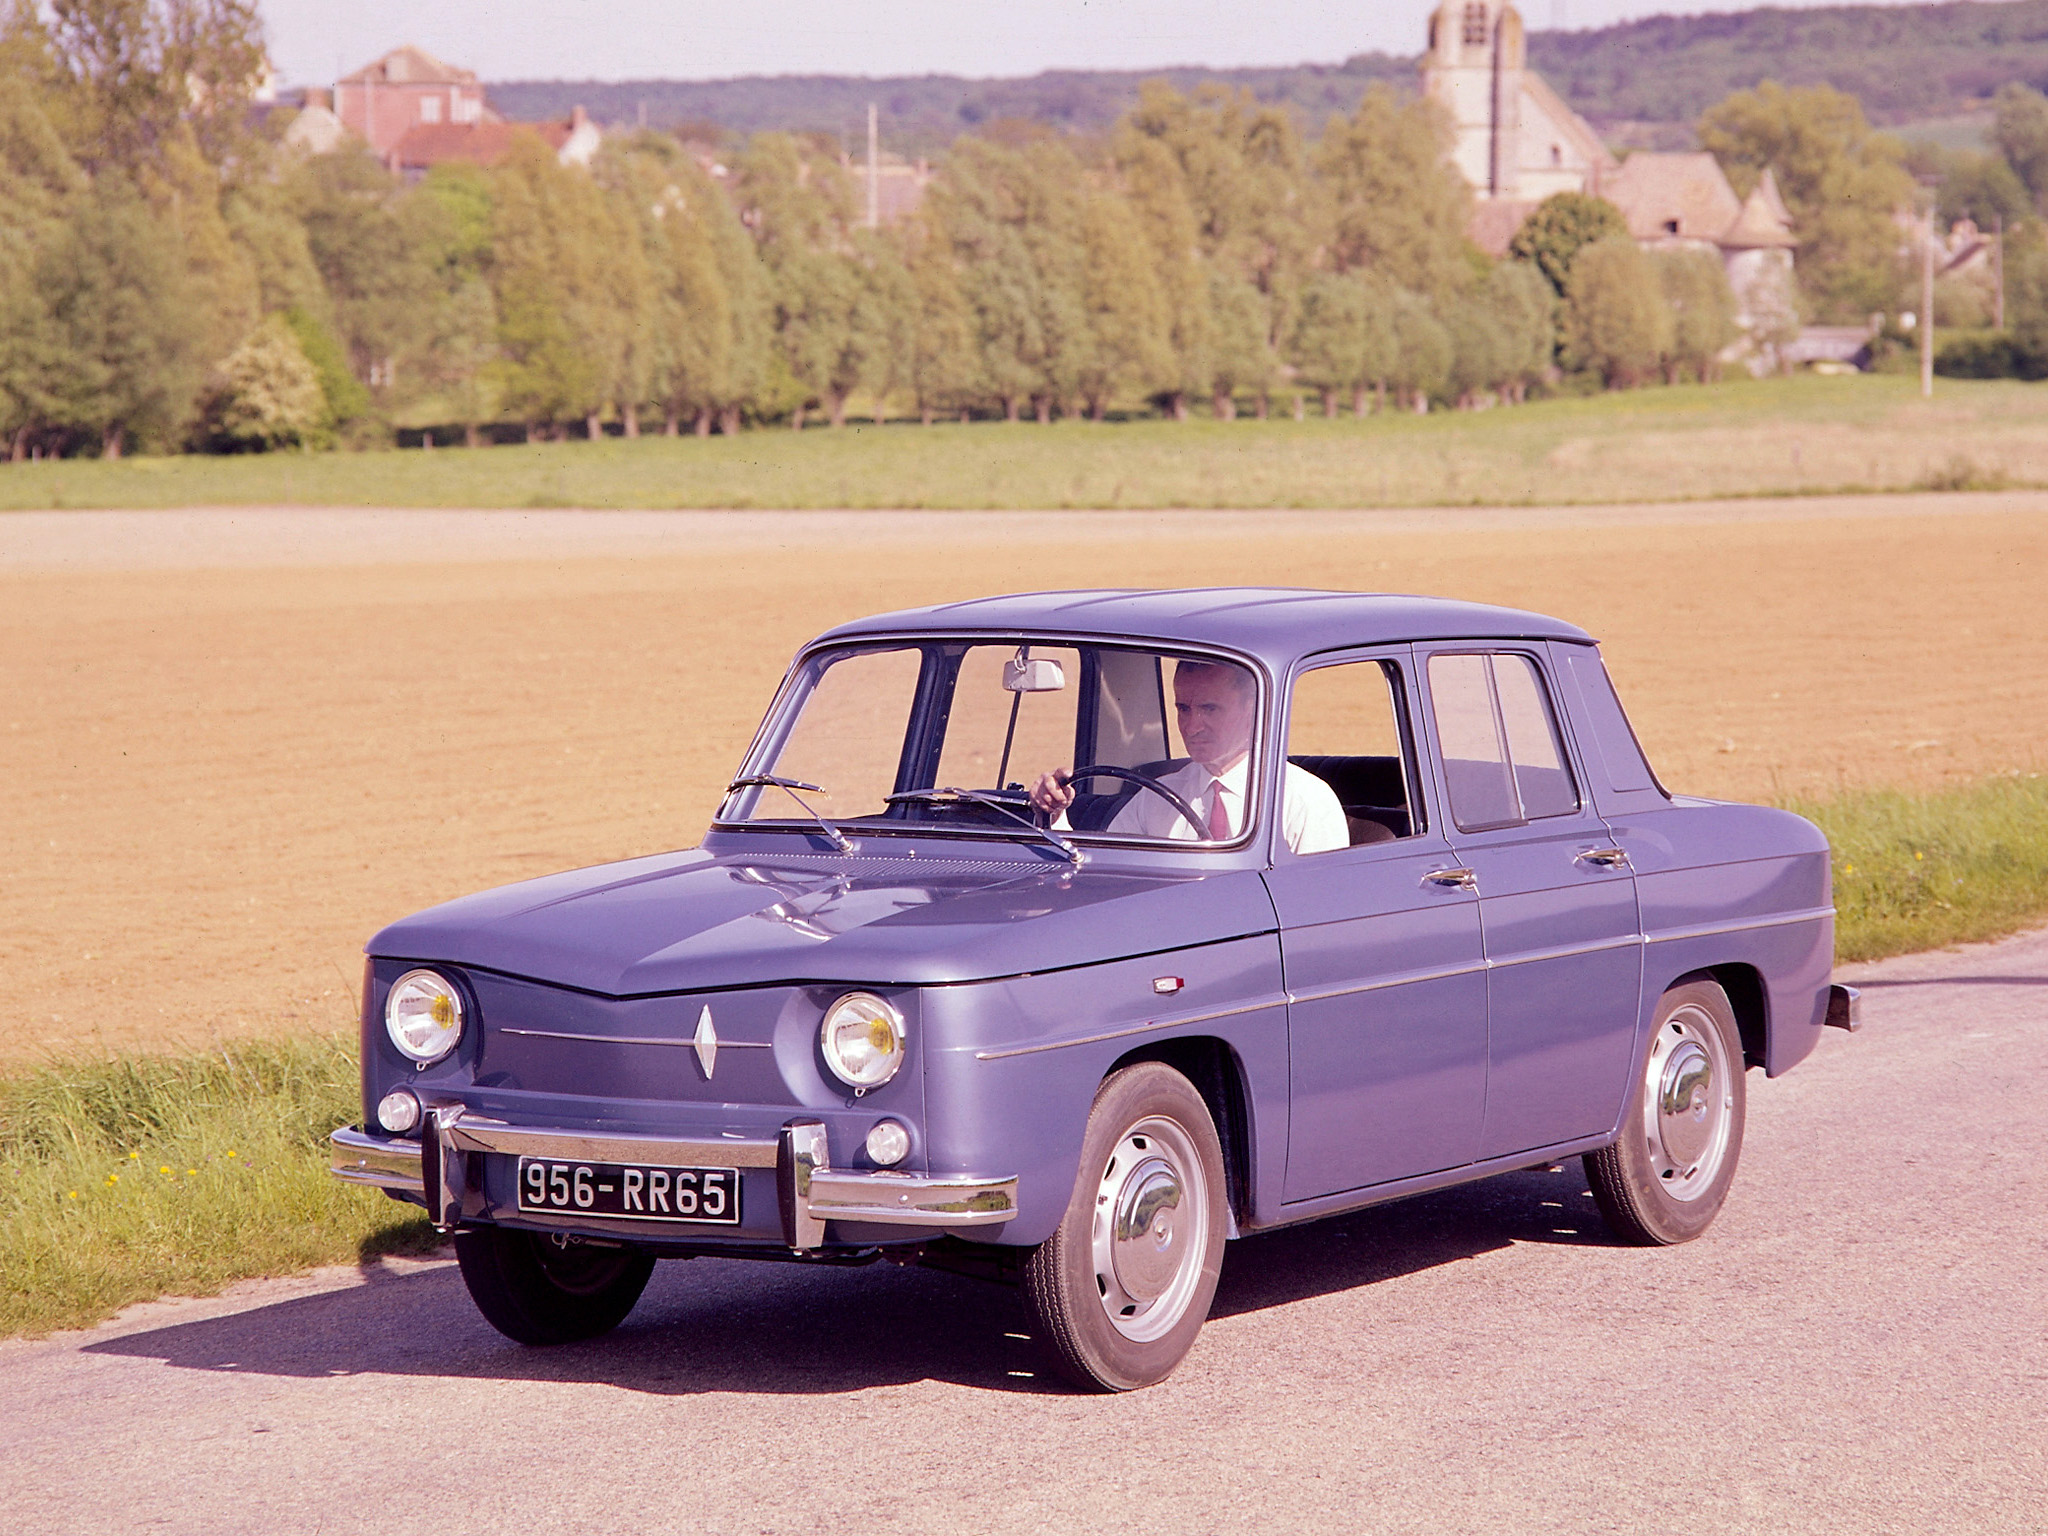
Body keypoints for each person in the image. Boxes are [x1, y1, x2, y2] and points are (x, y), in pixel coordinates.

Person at [1030, 658, 1349, 855]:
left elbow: (1318, 914)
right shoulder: (1158, 797)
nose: (1192, 726)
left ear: (1253, 711)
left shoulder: (1305, 801)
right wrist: (1056, 815)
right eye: (1183, 709)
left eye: (1209, 709)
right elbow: (1105, 880)